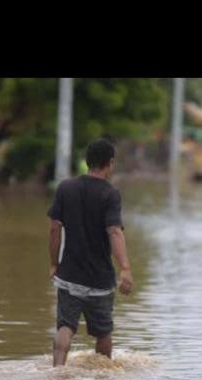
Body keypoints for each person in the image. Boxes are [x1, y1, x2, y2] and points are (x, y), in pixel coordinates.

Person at [46, 138, 134, 366]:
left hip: (69, 276)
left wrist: (54, 264)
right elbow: (114, 231)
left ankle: (57, 372)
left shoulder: (65, 188)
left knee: (65, 326)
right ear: (110, 163)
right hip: (100, 280)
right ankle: (102, 379)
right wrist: (125, 268)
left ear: (87, 162)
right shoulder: (110, 194)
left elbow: (55, 228)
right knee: (103, 333)